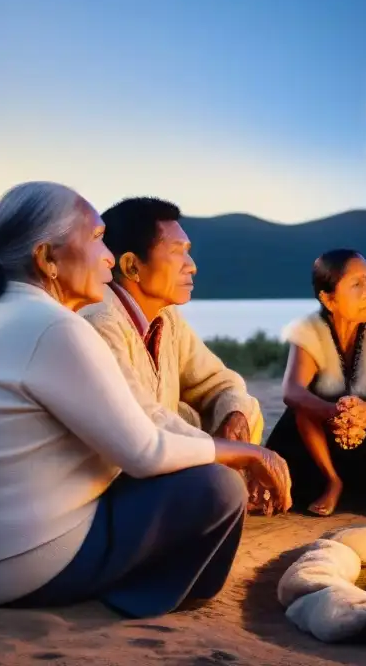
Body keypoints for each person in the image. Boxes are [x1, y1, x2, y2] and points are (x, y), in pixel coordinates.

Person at [0, 182, 291, 618]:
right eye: (96, 239)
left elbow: (211, 386)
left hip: (7, 546)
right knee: (216, 486)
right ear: (47, 258)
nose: (108, 256)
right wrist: (245, 454)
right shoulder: (59, 326)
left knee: (193, 434)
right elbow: (145, 450)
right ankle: (134, 595)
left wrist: (234, 427)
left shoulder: (9, 312)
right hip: (28, 561)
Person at [81, 197, 270, 513]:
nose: (191, 265)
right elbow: (139, 423)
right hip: (110, 484)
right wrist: (231, 451)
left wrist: (232, 417)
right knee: (195, 430)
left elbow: (222, 383)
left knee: (239, 410)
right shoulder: (99, 321)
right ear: (131, 266)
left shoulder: (165, 319)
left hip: (156, 462)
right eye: (177, 252)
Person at [265, 249, 366, 517]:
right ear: (328, 298)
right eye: (356, 284)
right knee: (303, 405)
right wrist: (335, 414)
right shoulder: (309, 330)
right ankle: (332, 481)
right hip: (321, 442)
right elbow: (292, 391)